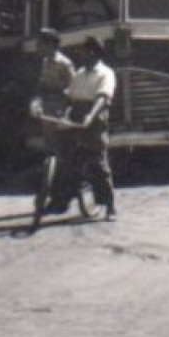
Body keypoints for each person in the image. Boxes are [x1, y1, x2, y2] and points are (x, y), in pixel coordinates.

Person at [58, 36, 117, 219]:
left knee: (98, 164)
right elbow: (70, 98)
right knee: (69, 159)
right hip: (76, 116)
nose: (82, 55)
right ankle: (62, 199)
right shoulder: (79, 74)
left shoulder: (106, 73)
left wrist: (90, 116)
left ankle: (110, 206)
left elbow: (102, 98)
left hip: (95, 118)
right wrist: (64, 114)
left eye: (84, 52)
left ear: (93, 53)